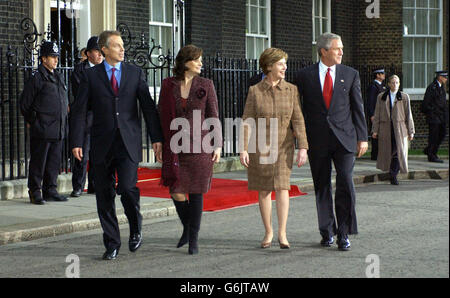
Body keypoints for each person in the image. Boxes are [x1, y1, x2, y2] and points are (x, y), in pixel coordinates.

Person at [70, 30, 163, 260]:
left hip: (128, 142)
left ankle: (135, 226)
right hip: (101, 143)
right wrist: (77, 141)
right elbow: (80, 111)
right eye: (117, 46)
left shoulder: (134, 73)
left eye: (123, 45)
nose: (123, 49)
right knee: (104, 194)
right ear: (104, 50)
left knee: (128, 189)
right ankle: (112, 242)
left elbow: (149, 108)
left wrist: (157, 139)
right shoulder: (91, 77)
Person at [295, 33, 368, 251]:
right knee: (322, 186)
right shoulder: (304, 76)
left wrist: (362, 137)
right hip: (317, 140)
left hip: (345, 139)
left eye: (342, 48)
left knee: (345, 182)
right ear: (323, 51)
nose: (341, 52)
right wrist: (301, 142)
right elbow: (297, 111)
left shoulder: (350, 74)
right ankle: (327, 231)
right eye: (337, 49)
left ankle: (344, 233)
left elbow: (358, 107)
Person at [240, 48, 309, 249]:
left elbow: (298, 120)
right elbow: (247, 121)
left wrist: (303, 147)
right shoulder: (255, 91)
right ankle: (268, 231)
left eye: (284, 64)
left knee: (282, 187)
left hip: (284, 147)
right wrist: (243, 148)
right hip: (260, 147)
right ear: (269, 66)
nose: (284, 67)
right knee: (264, 189)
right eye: (280, 64)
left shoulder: (291, 90)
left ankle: (282, 233)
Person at [158, 45, 222, 255]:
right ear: (185, 62)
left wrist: (217, 144)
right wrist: (158, 142)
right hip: (175, 146)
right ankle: (188, 228)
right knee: (175, 190)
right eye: (197, 60)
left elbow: (213, 116)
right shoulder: (168, 84)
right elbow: (161, 114)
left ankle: (193, 239)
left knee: (195, 192)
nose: (200, 63)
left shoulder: (206, 84)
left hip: (200, 146)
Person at [19, 41, 69, 205]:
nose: (55, 60)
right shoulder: (37, 77)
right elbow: (25, 103)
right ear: (43, 59)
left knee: (54, 162)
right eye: (52, 57)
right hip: (42, 128)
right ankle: (35, 191)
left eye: (56, 57)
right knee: (38, 163)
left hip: (57, 127)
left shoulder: (57, 76)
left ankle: (51, 189)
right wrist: (34, 121)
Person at [70, 36, 103, 198]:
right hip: (84, 118)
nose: (100, 55)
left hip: (100, 119)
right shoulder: (79, 71)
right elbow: (81, 96)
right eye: (97, 51)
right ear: (88, 53)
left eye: (101, 52)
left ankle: (95, 186)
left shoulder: (105, 69)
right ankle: (78, 186)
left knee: (98, 155)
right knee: (81, 155)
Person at [372, 75, 415, 185]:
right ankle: (390, 171)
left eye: (397, 82)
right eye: (392, 82)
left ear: (399, 84)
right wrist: (375, 130)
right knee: (387, 151)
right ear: (389, 84)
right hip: (386, 127)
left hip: (400, 128)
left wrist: (411, 131)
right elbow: (377, 114)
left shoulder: (404, 97)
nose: (395, 84)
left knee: (398, 150)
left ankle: (393, 174)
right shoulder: (381, 97)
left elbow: (408, 115)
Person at [421, 70, 448, 163]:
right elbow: (425, 104)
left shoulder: (441, 88)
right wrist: (433, 112)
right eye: (444, 77)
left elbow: (443, 104)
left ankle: (429, 150)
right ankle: (432, 155)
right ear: (439, 77)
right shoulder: (432, 88)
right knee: (434, 136)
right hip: (434, 117)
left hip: (441, 117)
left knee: (442, 134)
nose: (446, 79)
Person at [366, 68, 386, 160]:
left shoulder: (382, 86)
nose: (384, 75)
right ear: (377, 75)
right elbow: (370, 102)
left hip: (382, 114)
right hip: (376, 114)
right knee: (375, 134)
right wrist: (372, 115)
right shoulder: (373, 87)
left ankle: (379, 153)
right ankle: (375, 155)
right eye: (382, 73)